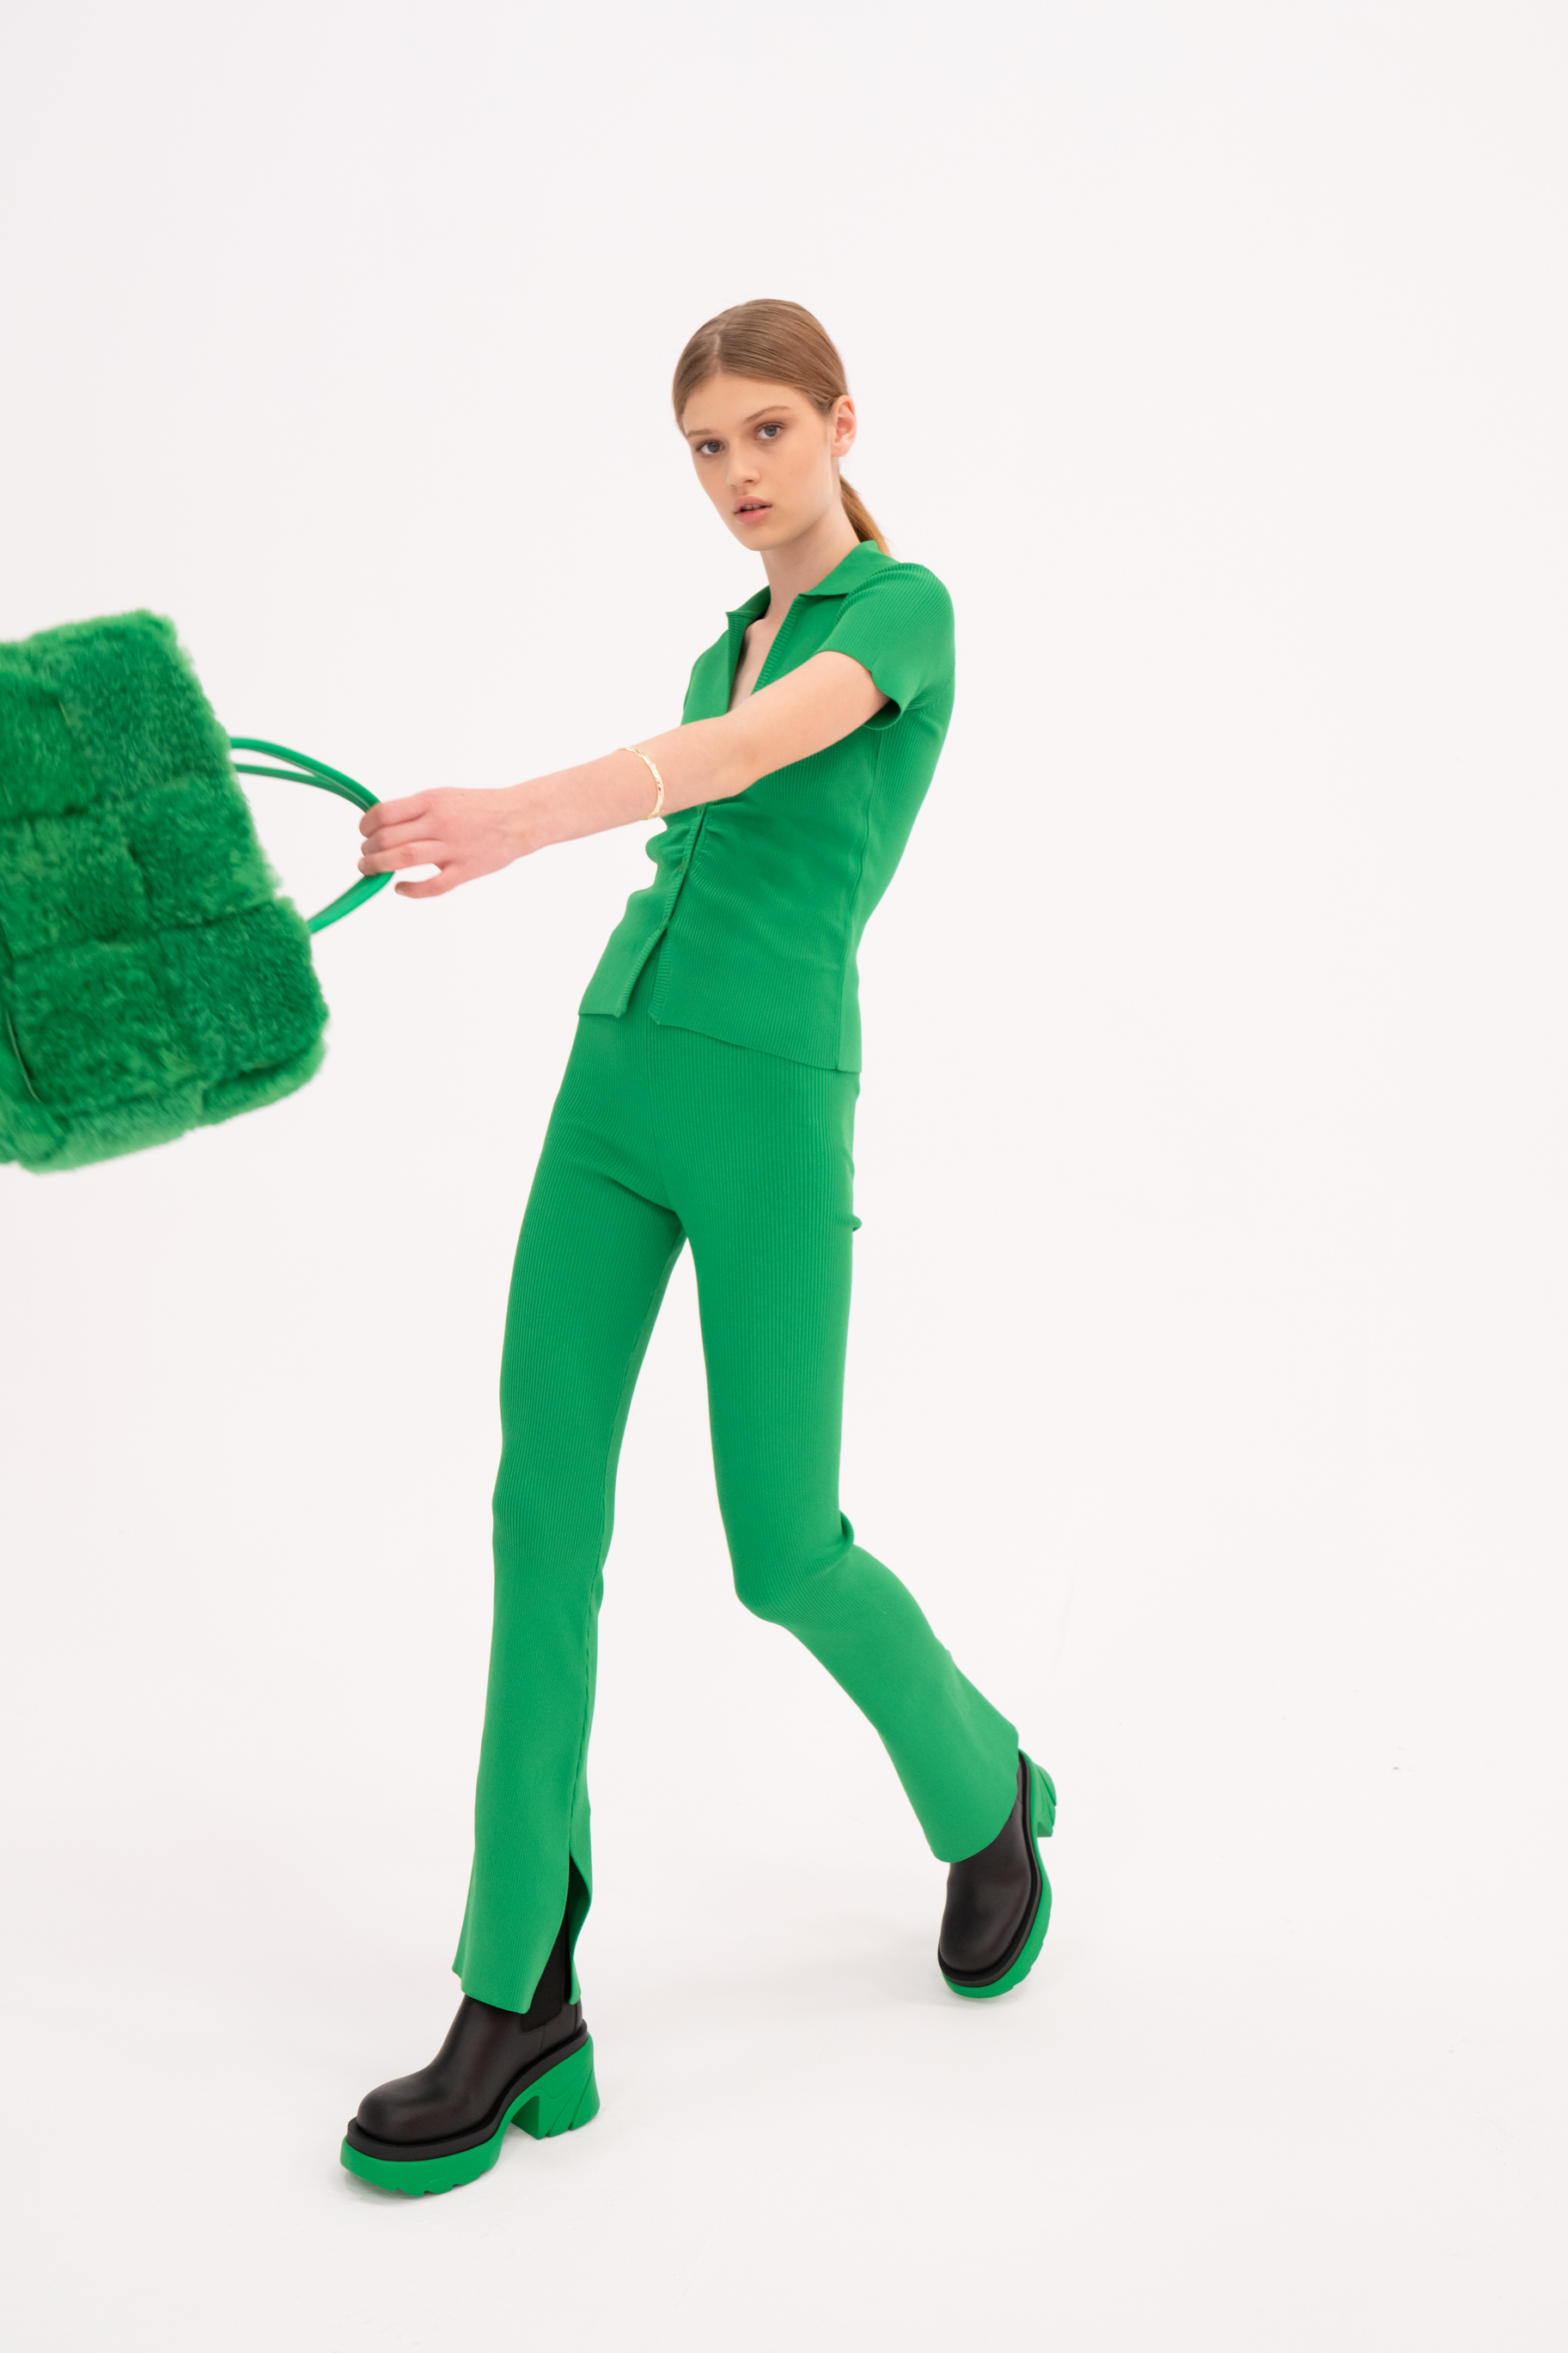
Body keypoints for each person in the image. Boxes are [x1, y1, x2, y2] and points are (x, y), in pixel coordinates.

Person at [340, 300, 1056, 2197]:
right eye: (704, 448)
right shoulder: (717, 630)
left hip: (766, 1106)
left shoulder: (902, 614)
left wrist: (517, 814)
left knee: (781, 1546)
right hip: (613, 1080)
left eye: (763, 431)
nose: (736, 473)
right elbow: (708, 757)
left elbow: (741, 759)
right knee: (539, 1521)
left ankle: (984, 1788)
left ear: (839, 423)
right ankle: (517, 1989)